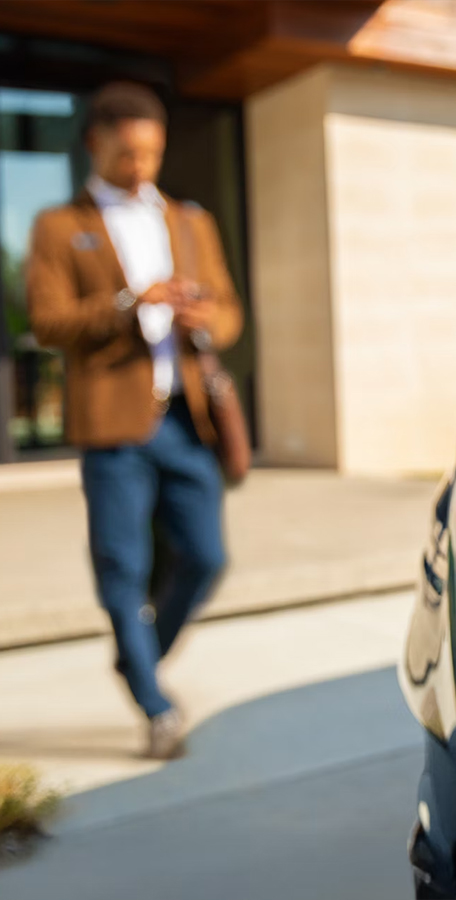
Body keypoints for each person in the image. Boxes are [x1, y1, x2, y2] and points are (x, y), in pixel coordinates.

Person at [27, 82, 243, 759]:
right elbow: (48, 321)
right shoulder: (59, 225)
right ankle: (154, 703)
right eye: (127, 153)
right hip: (113, 424)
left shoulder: (189, 221)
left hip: (186, 420)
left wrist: (206, 318)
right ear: (95, 144)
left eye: (152, 152)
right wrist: (129, 301)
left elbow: (232, 313)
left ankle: (137, 657)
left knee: (206, 558)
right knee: (123, 564)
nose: (142, 166)